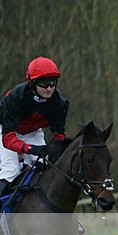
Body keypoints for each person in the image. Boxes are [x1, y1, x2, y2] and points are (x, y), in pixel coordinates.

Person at [0, 57, 69, 197]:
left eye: (53, 83)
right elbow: (7, 140)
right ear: (32, 82)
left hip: (33, 132)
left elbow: (59, 135)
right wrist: (30, 149)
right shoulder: (15, 97)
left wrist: (54, 150)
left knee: (47, 167)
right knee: (11, 171)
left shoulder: (60, 103)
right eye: (44, 83)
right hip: (7, 132)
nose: (49, 88)